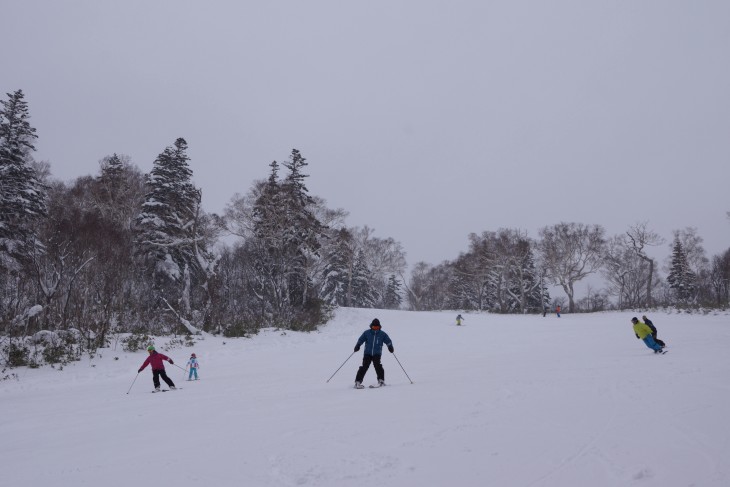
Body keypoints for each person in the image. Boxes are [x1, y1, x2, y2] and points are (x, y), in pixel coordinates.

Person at [353, 318, 394, 389]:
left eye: (377, 327)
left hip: (377, 353)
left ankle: (381, 380)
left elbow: (388, 341)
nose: (375, 329)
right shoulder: (367, 333)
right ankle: (358, 382)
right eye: (374, 327)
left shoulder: (382, 334)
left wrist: (390, 346)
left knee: (378, 365)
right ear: (371, 326)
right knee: (364, 366)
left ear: (379, 327)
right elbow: (361, 339)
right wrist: (358, 345)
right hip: (367, 353)